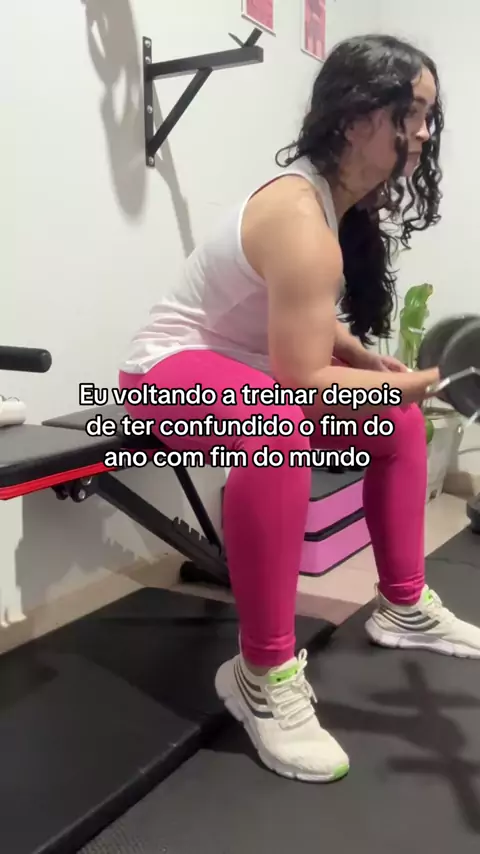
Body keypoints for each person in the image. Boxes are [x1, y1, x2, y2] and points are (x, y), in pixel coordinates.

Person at [118, 34, 480, 783]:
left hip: (246, 368)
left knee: (396, 421)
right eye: (410, 113)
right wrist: (418, 379)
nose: (423, 133)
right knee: (275, 430)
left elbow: (289, 312)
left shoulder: (330, 203)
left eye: (428, 116)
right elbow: (303, 385)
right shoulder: (298, 216)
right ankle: (261, 672)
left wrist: (364, 361)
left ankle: (402, 606)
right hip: (162, 372)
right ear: (356, 117)